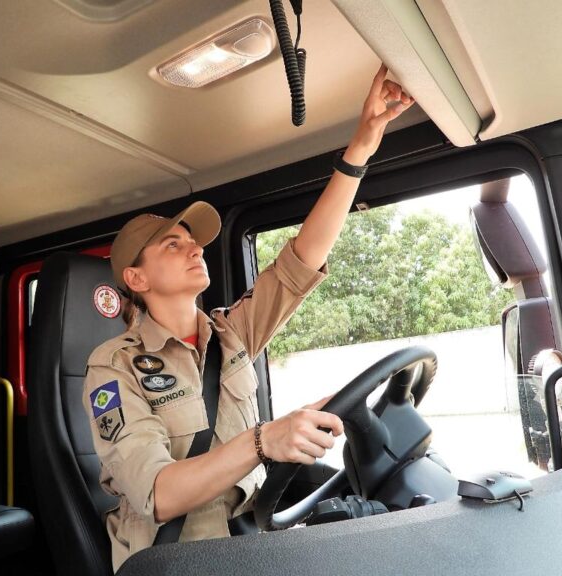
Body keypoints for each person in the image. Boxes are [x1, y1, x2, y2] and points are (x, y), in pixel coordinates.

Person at [83, 64, 414, 571]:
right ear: (137, 279)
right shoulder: (112, 366)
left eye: (194, 242)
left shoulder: (230, 332)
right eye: (174, 245)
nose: (194, 248)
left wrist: (363, 145)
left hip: (249, 542)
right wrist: (264, 440)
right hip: (175, 562)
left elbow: (301, 260)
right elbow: (160, 494)